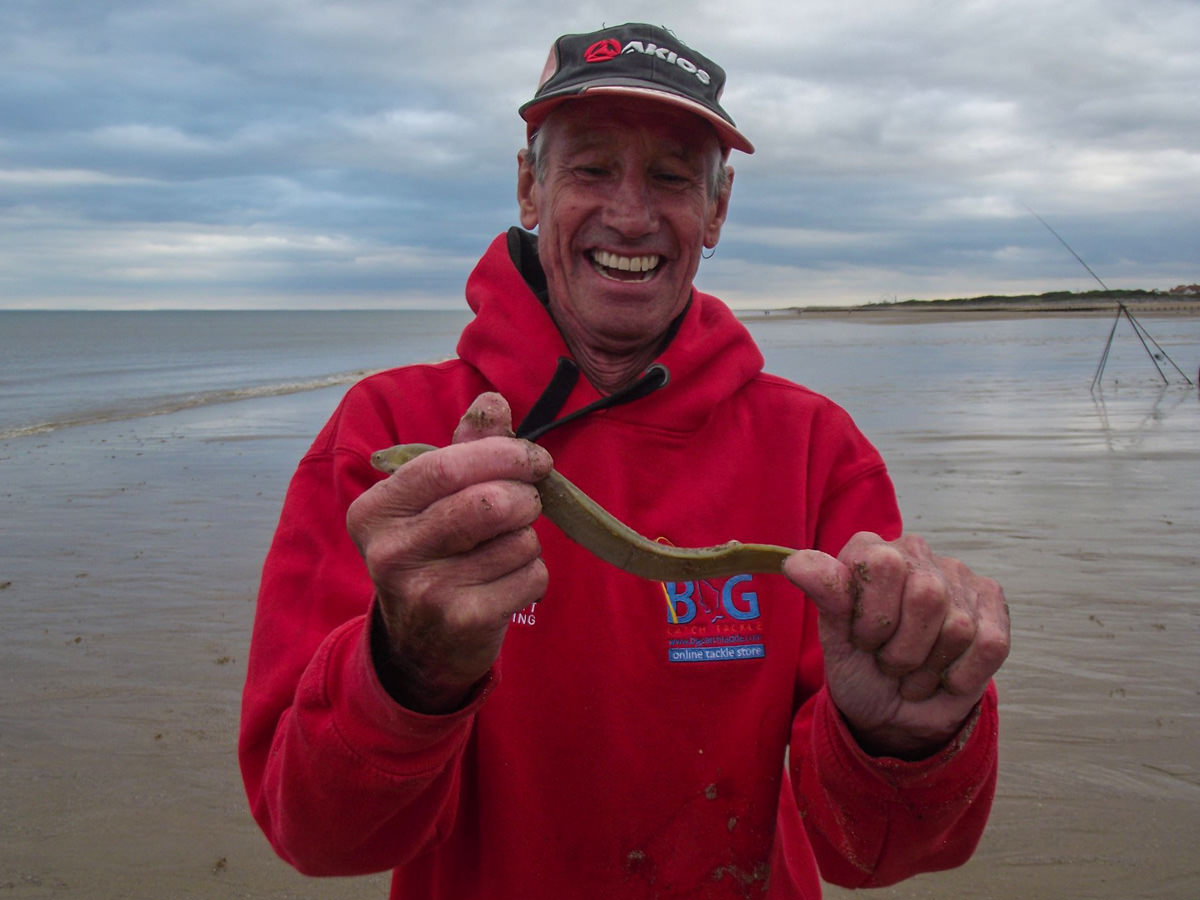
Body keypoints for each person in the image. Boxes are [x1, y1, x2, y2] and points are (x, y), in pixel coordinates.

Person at [239, 23, 1009, 899]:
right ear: (530, 187)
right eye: (591, 168)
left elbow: (874, 855)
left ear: (716, 210)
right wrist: (406, 669)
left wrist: (902, 740)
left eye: (674, 177)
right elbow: (317, 835)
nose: (632, 215)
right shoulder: (386, 429)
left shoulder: (816, 449)